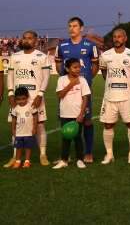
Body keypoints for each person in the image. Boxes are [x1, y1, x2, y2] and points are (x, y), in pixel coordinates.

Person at [54, 16, 99, 163]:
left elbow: (95, 65)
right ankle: (65, 155)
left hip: (83, 90)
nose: (71, 29)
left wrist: (87, 80)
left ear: (81, 28)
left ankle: (88, 153)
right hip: (67, 90)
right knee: (66, 120)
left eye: (74, 26)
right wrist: (64, 77)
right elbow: (58, 63)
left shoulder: (90, 45)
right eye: (69, 26)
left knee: (86, 121)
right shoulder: (62, 46)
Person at [5, 30, 51, 168]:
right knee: (16, 125)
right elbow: (10, 76)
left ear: (36, 41)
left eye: (29, 38)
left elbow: (46, 77)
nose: (26, 40)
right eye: (24, 38)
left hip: (35, 97)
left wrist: (40, 94)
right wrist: (10, 94)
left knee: (40, 125)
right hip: (18, 98)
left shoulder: (42, 56)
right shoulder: (15, 56)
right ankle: (15, 157)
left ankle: (43, 154)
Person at [99, 28, 130, 165]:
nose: (116, 39)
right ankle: (109, 154)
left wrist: (126, 83)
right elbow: (104, 73)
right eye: (114, 37)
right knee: (108, 125)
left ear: (125, 38)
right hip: (110, 96)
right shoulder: (105, 55)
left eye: (119, 37)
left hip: (127, 97)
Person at [53, 58, 91, 169]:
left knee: (78, 137)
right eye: (75, 67)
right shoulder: (61, 80)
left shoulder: (83, 80)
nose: (78, 69)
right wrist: (72, 84)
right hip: (65, 114)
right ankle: (64, 160)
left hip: (77, 115)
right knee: (66, 138)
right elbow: (60, 95)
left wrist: (81, 114)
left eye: (79, 67)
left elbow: (85, 98)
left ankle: (80, 159)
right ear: (67, 69)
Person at [9, 87, 38, 169]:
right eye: (18, 99)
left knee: (28, 147)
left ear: (27, 97)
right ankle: (18, 161)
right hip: (19, 132)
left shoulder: (31, 106)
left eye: (23, 99)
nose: (21, 101)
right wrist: (13, 129)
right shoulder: (15, 108)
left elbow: (35, 117)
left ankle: (27, 161)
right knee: (18, 147)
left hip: (28, 132)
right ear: (15, 99)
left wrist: (34, 128)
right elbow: (14, 119)